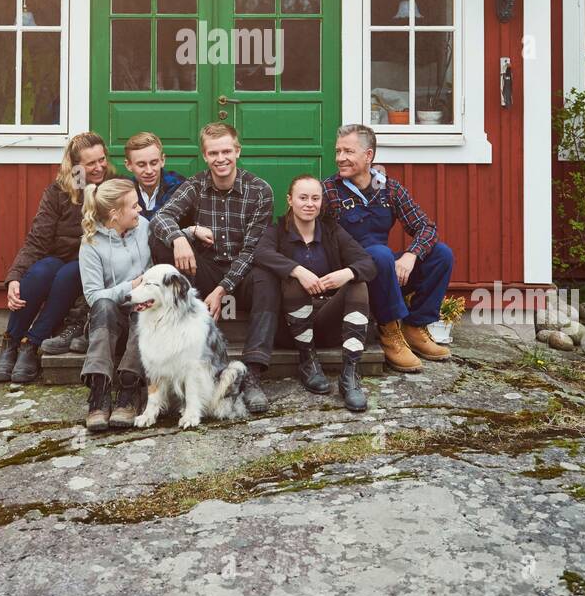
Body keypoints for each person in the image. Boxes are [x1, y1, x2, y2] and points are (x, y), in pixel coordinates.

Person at [149, 123, 277, 414]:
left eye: (226, 151)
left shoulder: (259, 191)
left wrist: (222, 290)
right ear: (205, 156)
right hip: (203, 273)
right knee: (161, 243)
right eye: (213, 153)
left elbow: (252, 250)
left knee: (267, 275)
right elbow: (161, 218)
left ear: (237, 151)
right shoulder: (195, 185)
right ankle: (176, 341)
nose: (221, 159)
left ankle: (252, 372)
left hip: (240, 275)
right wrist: (181, 236)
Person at [321, 124, 453, 373]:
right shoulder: (328, 191)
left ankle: (414, 327)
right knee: (380, 254)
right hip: (349, 275)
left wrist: (410, 255)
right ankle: (389, 332)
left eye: (348, 151)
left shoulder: (389, 189)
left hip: (382, 269)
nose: (340, 158)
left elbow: (426, 227)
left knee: (441, 254)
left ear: (368, 155)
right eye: (338, 151)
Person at [0, 132, 114, 384]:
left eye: (102, 159)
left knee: (68, 273)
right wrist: (14, 277)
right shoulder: (59, 192)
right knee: (41, 271)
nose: (99, 166)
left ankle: (31, 342)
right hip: (58, 258)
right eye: (91, 163)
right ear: (76, 166)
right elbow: (37, 238)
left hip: (94, 262)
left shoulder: (114, 186)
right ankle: (11, 341)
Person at [254, 175, 378, 412]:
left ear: (322, 202)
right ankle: (307, 361)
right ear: (289, 200)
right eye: (303, 198)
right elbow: (261, 254)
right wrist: (298, 270)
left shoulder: (331, 231)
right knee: (292, 280)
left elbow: (368, 263)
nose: (309, 204)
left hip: (326, 319)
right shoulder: (277, 231)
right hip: (290, 327)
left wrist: (347, 273)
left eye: (315, 198)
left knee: (357, 283)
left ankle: (350, 375)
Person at [78, 178, 151, 433]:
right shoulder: (90, 243)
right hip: (107, 326)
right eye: (134, 206)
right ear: (114, 214)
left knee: (145, 311)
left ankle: (129, 389)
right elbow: (93, 297)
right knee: (104, 304)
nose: (140, 210)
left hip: (140, 320)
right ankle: (99, 392)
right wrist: (131, 286)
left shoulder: (144, 227)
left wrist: (188, 233)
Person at [123, 131, 186, 220]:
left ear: (162, 160)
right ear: (128, 165)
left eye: (153, 163)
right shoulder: (124, 192)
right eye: (141, 165)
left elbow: (160, 221)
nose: (149, 171)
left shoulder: (178, 186)